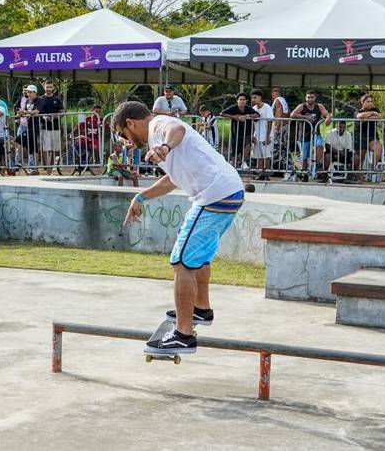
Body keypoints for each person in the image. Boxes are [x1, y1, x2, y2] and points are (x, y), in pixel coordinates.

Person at [115, 101, 244, 356]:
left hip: (214, 196)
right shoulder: (156, 139)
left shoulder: (158, 126)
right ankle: (201, 309)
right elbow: (173, 179)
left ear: (131, 123)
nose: (127, 142)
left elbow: (178, 129)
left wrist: (164, 146)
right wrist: (141, 197)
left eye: (124, 135)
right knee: (198, 256)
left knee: (182, 262)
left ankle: (183, 335)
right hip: (224, 193)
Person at [290, 90, 332, 181]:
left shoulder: (319, 106)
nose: (310, 99)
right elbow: (292, 114)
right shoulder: (302, 106)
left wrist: (328, 117)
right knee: (304, 156)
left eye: (311, 97)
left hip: (316, 133)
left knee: (320, 145)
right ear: (305, 98)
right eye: (308, 97)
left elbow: (327, 114)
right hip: (304, 134)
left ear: (315, 98)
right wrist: (305, 117)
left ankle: (316, 165)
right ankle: (305, 173)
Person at [220, 92, 259, 169]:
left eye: (244, 99)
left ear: (246, 101)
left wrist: (247, 116)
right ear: (237, 101)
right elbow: (222, 113)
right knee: (234, 153)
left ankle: (243, 161)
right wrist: (233, 117)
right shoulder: (233, 108)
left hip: (247, 132)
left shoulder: (248, 108)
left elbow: (257, 115)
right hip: (236, 133)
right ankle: (233, 170)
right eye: (240, 99)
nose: (242, 101)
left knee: (248, 144)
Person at [354, 94, 384, 178]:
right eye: (368, 102)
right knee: (360, 157)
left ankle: (374, 168)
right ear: (362, 103)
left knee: (378, 147)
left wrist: (366, 118)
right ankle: (358, 175)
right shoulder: (358, 110)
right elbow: (359, 116)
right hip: (360, 136)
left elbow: (379, 117)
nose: (370, 103)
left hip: (372, 136)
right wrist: (372, 113)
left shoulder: (376, 109)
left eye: (371, 101)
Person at [40, 80, 65, 174]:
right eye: (47, 87)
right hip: (44, 128)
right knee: (46, 149)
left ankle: (50, 168)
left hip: (56, 127)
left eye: (50, 87)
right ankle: (47, 167)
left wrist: (55, 116)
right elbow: (37, 111)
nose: (49, 89)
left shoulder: (57, 99)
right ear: (44, 87)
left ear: (53, 88)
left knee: (54, 150)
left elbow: (62, 111)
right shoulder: (40, 99)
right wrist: (44, 117)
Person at [16, 84, 43, 175]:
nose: (29, 94)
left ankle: (20, 162)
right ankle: (35, 169)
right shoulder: (27, 101)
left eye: (31, 92)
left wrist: (25, 112)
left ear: (35, 93)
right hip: (29, 126)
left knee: (18, 140)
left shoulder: (39, 100)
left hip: (36, 127)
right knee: (33, 148)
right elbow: (26, 114)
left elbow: (36, 112)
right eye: (28, 92)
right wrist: (20, 114)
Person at [251, 89, 274, 180]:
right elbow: (252, 123)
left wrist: (267, 136)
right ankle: (260, 174)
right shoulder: (254, 109)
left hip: (265, 135)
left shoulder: (267, 107)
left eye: (255, 97)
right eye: (252, 98)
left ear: (260, 97)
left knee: (266, 156)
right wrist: (253, 134)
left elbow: (270, 121)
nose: (253, 100)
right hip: (257, 135)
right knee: (258, 156)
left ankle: (266, 174)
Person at [269, 87, 291, 181]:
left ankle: (284, 171)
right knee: (283, 149)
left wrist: (277, 129)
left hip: (280, 127)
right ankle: (282, 170)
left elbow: (279, 114)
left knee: (278, 149)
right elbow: (288, 113)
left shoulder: (278, 101)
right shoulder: (283, 101)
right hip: (285, 126)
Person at [13, 85, 30, 170]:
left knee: (30, 145)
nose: (24, 92)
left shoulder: (32, 100)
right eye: (23, 90)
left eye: (26, 90)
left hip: (30, 125)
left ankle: (31, 165)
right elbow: (15, 108)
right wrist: (16, 118)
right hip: (22, 125)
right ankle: (18, 162)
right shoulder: (20, 99)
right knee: (18, 143)